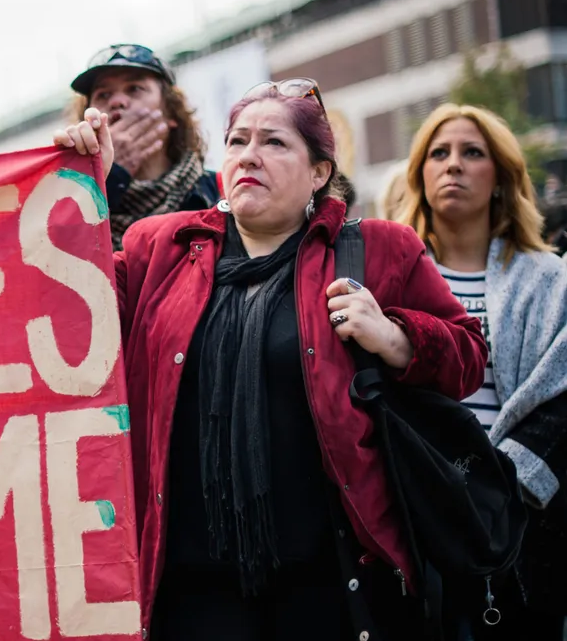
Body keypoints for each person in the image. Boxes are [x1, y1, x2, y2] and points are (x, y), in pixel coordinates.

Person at [56, 79, 487, 639]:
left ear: (319, 173)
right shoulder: (157, 249)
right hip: (192, 593)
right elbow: (67, 303)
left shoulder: (379, 248)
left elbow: (468, 357)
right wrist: (80, 181)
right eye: (236, 141)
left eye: (275, 143)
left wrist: (395, 336)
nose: (249, 156)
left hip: (328, 586)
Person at [398, 104, 567, 639]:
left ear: (501, 179)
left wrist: (494, 489)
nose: (454, 166)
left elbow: (560, 400)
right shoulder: (383, 274)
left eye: (473, 153)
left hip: (520, 527)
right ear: (419, 175)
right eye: (439, 153)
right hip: (410, 517)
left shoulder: (551, 280)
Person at [58, 43, 219, 249]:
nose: (117, 101)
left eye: (135, 88)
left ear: (171, 112)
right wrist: (111, 175)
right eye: (103, 95)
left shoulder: (219, 194)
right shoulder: (74, 206)